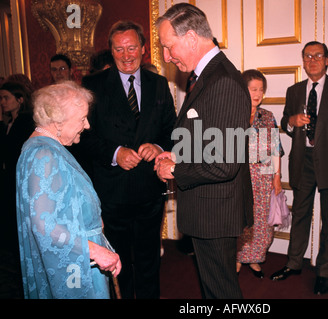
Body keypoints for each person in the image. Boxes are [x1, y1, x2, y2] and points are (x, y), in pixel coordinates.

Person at [155, 3, 253, 299]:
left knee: (221, 292)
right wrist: (178, 154)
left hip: (215, 212)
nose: (166, 56)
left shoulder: (222, 81)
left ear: (191, 38)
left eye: (168, 46)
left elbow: (225, 163)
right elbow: (209, 140)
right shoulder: (206, 75)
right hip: (208, 208)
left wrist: (175, 169)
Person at [79, 20, 176, 299]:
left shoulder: (159, 84)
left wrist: (158, 146)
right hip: (112, 194)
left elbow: (172, 130)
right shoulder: (92, 86)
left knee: (149, 261)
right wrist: (115, 153)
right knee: (116, 263)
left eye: (132, 47)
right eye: (119, 49)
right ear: (111, 51)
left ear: (144, 49)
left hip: (149, 192)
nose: (126, 55)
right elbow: (82, 137)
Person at [16, 81, 121, 299]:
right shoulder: (43, 155)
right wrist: (95, 250)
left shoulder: (48, 148)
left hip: (80, 257)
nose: (88, 125)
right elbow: (44, 225)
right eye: (82, 119)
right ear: (58, 122)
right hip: (75, 267)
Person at [271, 41, 328, 295]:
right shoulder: (294, 91)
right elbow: (285, 121)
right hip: (302, 160)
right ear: (303, 61)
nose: (313, 60)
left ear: (327, 60)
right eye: (308, 56)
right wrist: (291, 121)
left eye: (318, 56)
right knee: (301, 214)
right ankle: (294, 263)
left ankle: (324, 271)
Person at [236, 69, 283, 278]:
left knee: (262, 221)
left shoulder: (268, 117)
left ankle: (255, 258)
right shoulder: (232, 114)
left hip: (263, 175)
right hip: (239, 176)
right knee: (241, 218)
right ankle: (237, 258)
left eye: (261, 90)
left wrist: (277, 177)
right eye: (253, 89)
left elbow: (275, 150)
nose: (257, 94)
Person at [0, 81, 35, 276]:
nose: (2, 102)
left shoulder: (24, 122)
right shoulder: (11, 122)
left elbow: (8, 151)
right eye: (1, 98)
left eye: (6, 98)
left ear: (20, 100)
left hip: (19, 182)